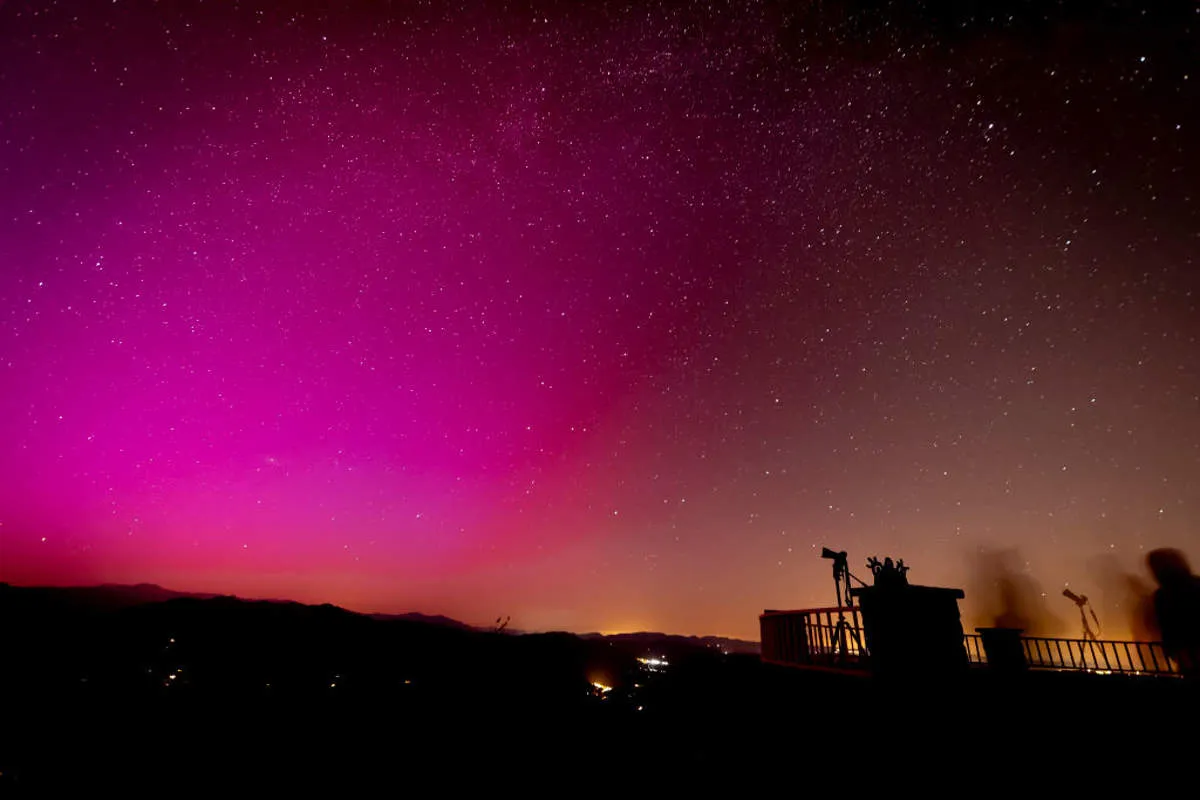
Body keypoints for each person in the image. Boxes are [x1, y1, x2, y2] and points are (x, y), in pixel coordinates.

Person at [1147, 548, 1200, 675]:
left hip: (1188, 656)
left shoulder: (1162, 595)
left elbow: (1169, 627)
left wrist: (1177, 651)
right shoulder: (1196, 584)